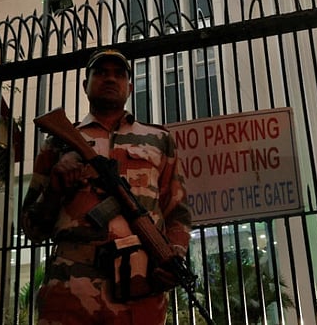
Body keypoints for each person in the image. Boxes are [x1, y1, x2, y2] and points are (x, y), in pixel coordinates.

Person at [21, 48, 192, 325]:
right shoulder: (59, 140)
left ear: (129, 85)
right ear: (85, 85)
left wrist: (173, 256)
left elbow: (178, 214)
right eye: (100, 73)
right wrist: (54, 188)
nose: (110, 79)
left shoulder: (158, 139)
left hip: (139, 290)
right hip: (70, 289)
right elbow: (31, 228)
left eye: (119, 74)